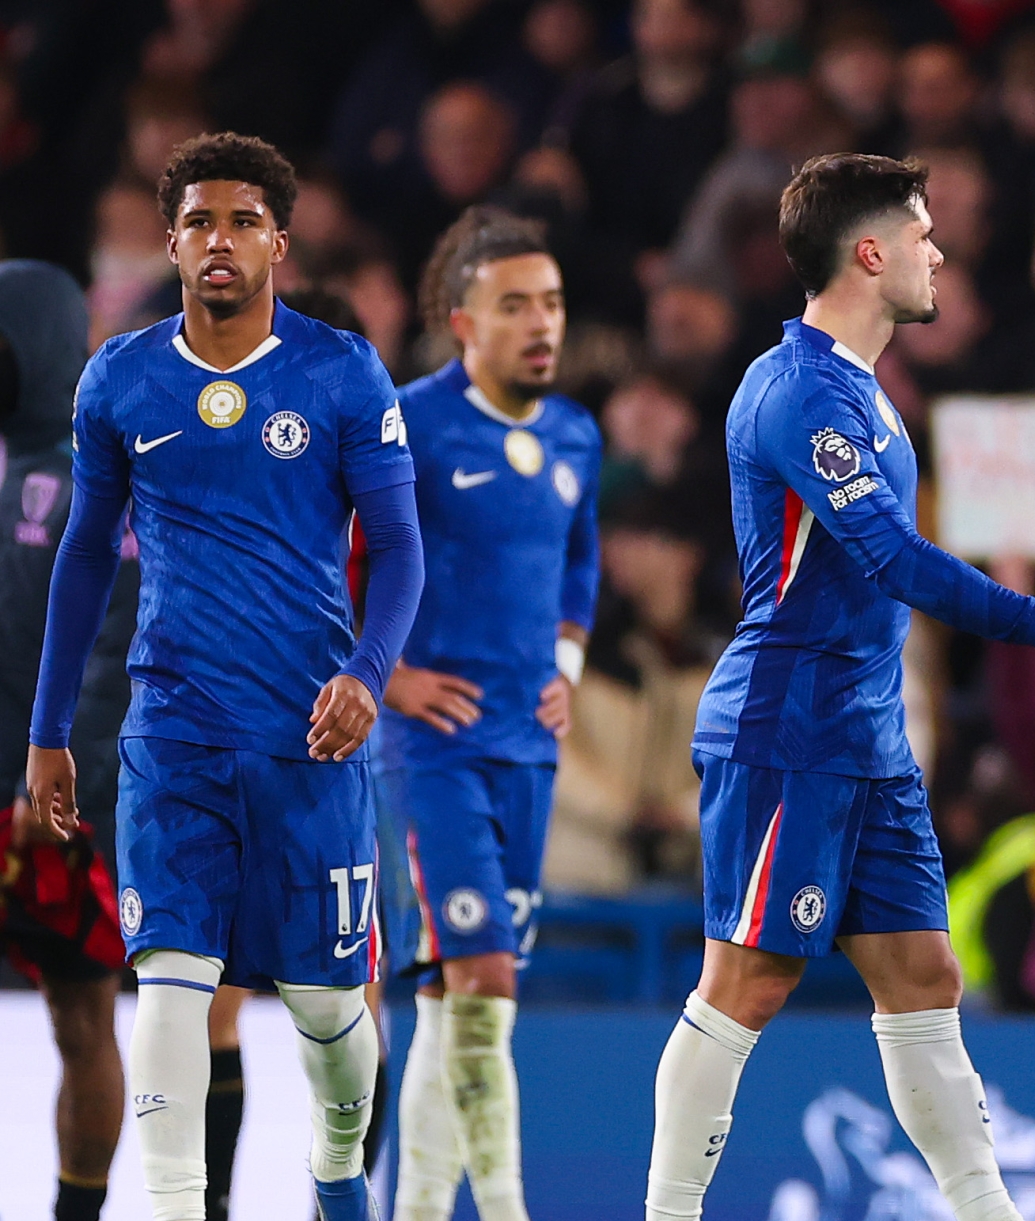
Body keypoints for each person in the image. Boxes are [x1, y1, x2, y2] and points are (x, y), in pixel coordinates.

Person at [641, 152, 1035, 1221]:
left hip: (869, 739)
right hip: (789, 730)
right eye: (922, 235)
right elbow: (894, 560)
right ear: (870, 254)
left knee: (924, 975)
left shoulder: (863, 393)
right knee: (748, 982)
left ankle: (985, 1211)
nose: (939, 252)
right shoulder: (796, 394)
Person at [22, 132, 425, 1221]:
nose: (220, 238)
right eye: (199, 220)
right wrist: (50, 729)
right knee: (169, 984)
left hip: (311, 738)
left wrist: (366, 674)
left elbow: (400, 547)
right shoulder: (122, 377)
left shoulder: (340, 371)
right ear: (170, 240)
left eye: (243, 220)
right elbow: (85, 556)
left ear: (279, 243)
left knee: (330, 1014)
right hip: (172, 734)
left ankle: (337, 1172)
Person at [376, 206, 600, 1221]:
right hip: (431, 751)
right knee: (485, 977)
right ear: (462, 322)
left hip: (528, 747)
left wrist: (567, 661)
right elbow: (328, 561)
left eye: (549, 304)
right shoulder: (408, 424)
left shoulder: (575, 435)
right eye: (514, 306)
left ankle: (415, 1209)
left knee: (450, 997)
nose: (540, 324)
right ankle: (503, 1207)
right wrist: (384, 677)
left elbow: (580, 563)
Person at [0, 260, 132, 1221]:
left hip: (59, 805)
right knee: (83, 1023)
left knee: (83, 1020)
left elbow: (116, 655)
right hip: (53, 801)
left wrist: (51, 793)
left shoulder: (112, 484)